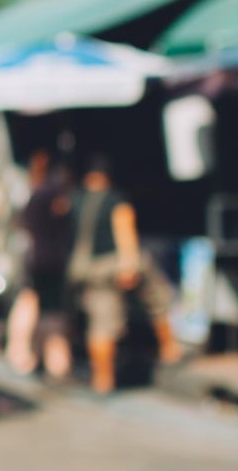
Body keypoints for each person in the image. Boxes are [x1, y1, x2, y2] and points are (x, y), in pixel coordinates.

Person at [67, 154, 181, 394]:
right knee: (158, 299)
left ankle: (102, 379)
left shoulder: (75, 200)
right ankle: (169, 349)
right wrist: (129, 264)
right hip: (114, 264)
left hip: (88, 270)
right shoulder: (115, 200)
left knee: (101, 322)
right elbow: (125, 231)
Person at [5, 150, 74, 381]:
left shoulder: (32, 194)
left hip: (35, 259)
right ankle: (49, 360)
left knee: (37, 306)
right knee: (46, 309)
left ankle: (34, 356)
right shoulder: (49, 194)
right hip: (48, 261)